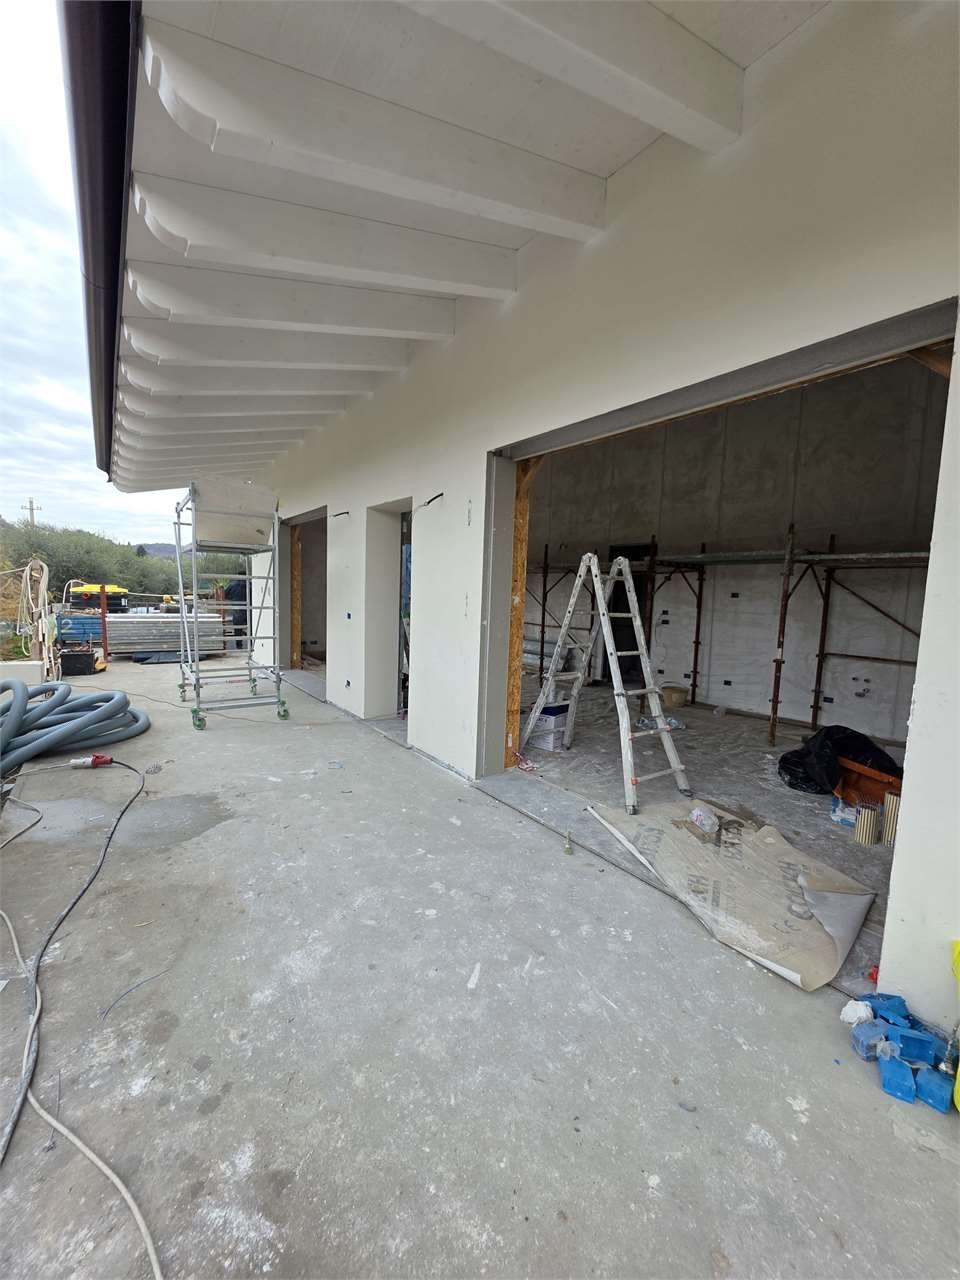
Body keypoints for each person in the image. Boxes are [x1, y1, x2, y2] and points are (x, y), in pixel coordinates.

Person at [223, 576, 250, 650]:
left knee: (238, 628)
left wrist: (233, 599)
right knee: (251, 627)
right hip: (249, 609)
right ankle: (252, 644)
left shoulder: (232, 585)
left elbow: (225, 595)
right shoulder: (251, 585)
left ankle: (239, 645)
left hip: (237, 609)